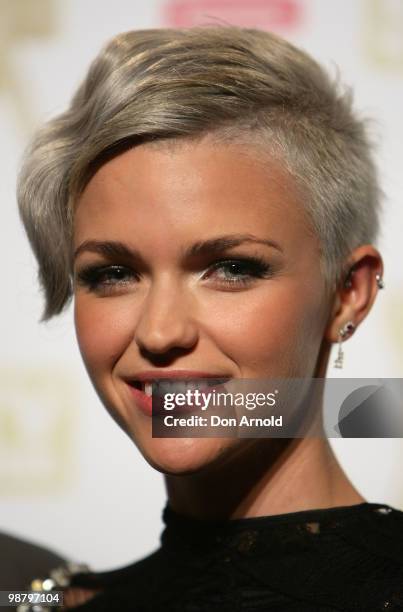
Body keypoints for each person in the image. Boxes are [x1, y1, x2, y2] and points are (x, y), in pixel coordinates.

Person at [16, 25, 403, 611]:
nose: (160, 333)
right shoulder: (45, 599)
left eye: (231, 267)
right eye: (113, 274)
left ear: (348, 292)